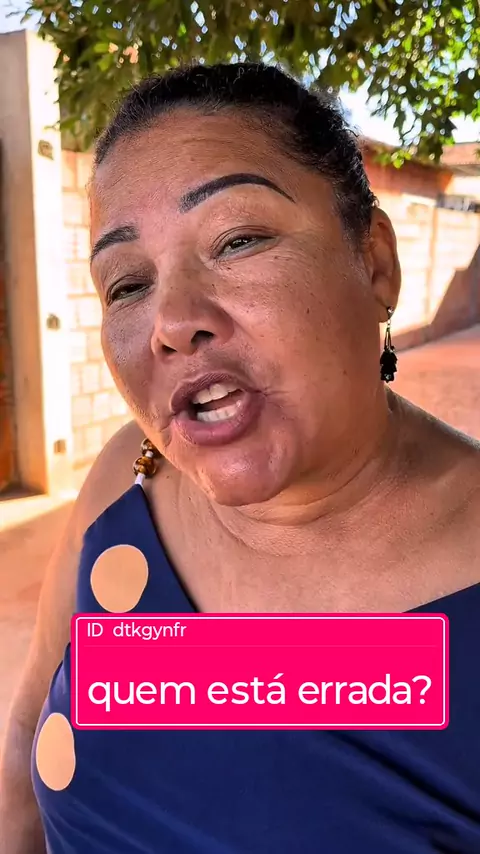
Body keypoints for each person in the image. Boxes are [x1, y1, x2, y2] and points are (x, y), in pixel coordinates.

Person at [1, 61, 480, 854]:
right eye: (126, 284)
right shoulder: (130, 476)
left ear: (374, 262)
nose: (173, 320)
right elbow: (26, 736)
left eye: (238, 239)